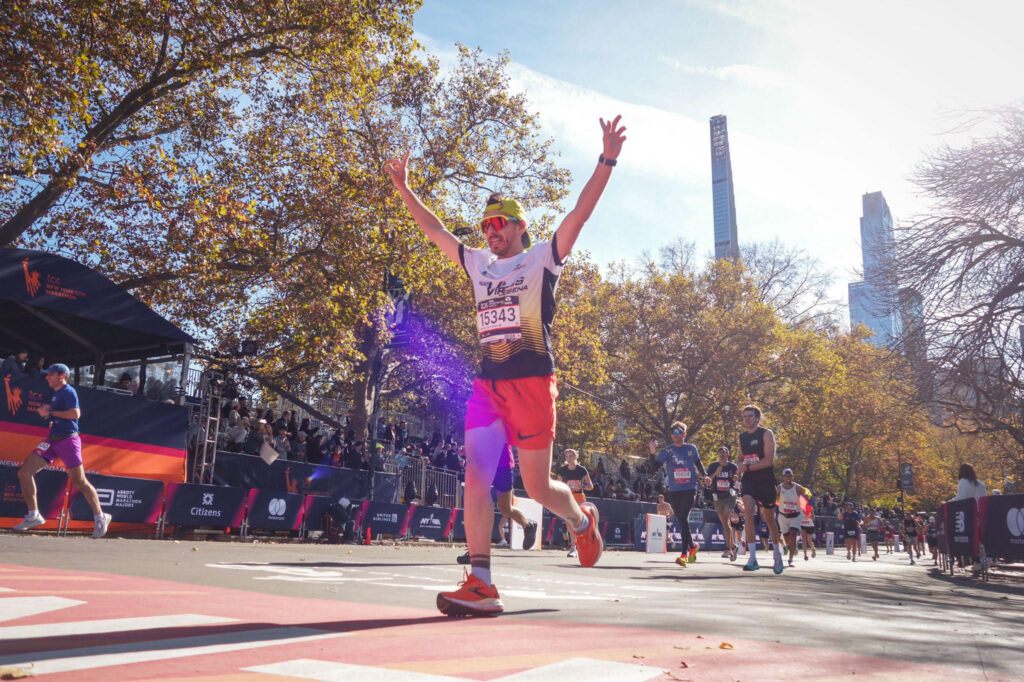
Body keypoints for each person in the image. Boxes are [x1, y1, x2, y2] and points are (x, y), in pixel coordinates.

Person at [386, 114, 625, 616]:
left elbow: (580, 214)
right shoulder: (477, 264)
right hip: (488, 385)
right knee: (476, 473)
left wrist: (607, 159)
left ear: (519, 227)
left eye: (499, 223)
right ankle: (481, 582)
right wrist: (405, 190)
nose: (491, 231)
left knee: (537, 486)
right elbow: (434, 229)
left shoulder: (542, 258)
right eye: (485, 225)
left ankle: (582, 522)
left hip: (534, 383)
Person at [14, 363, 111, 538]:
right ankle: (34, 515)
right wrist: (50, 417)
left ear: (62, 376)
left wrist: (50, 412)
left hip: (68, 441)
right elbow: (59, 416)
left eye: (51, 375)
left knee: (79, 481)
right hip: (52, 440)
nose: (48, 377)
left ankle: (100, 516)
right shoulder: (57, 394)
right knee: (24, 473)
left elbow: (75, 414)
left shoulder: (68, 391)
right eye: (47, 375)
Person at [458, 444, 539, 564]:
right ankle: (476, 552)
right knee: (479, 506)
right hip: (484, 465)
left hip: (503, 465)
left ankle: (528, 526)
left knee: (505, 509)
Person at [650, 424, 707, 567]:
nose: (676, 434)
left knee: (683, 517)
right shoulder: (667, 451)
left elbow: (698, 463)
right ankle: (693, 546)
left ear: (684, 434)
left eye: (679, 432)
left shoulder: (691, 448)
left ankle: (683, 554)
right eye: (673, 432)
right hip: (674, 490)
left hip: (689, 489)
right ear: (671, 435)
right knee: (682, 520)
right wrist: (652, 452)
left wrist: (705, 475)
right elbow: (654, 468)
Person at [736, 405, 784, 574]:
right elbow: (740, 459)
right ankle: (752, 558)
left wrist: (746, 468)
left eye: (750, 416)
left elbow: (768, 461)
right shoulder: (742, 437)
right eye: (744, 416)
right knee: (748, 512)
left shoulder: (766, 434)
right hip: (749, 481)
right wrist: (738, 470)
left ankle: (777, 555)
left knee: (769, 519)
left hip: (765, 480)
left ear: (757, 418)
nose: (746, 419)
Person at [556, 448, 594, 558]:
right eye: (567, 456)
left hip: (580, 499)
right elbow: (558, 486)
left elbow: (591, 486)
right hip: (568, 499)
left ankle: (584, 546)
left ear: (576, 457)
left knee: (581, 524)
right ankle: (573, 548)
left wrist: (581, 486)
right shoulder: (562, 470)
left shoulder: (581, 470)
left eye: (571, 456)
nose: (569, 458)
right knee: (570, 524)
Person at [705, 445, 740, 561]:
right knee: (725, 522)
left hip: (730, 495)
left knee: (725, 519)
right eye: (720, 452)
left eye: (724, 452)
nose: (722, 454)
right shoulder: (713, 466)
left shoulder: (733, 466)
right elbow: (708, 481)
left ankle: (728, 548)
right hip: (717, 497)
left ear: (728, 455)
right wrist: (716, 472)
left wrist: (735, 477)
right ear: (718, 455)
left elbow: (737, 476)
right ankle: (733, 546)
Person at [775, 468, 812, 568]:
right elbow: (772, 498)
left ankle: (790, 559)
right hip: (783, 516)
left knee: (793, 534)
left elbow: (807, 495)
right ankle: (792, 546)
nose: (788, 478)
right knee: (788, 540)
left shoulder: (797, 487)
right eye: (786, 476)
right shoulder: (779, 488)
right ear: (783, 477)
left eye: (790, 476)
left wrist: (807, 495)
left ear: (792, 477)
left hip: (795, 516)